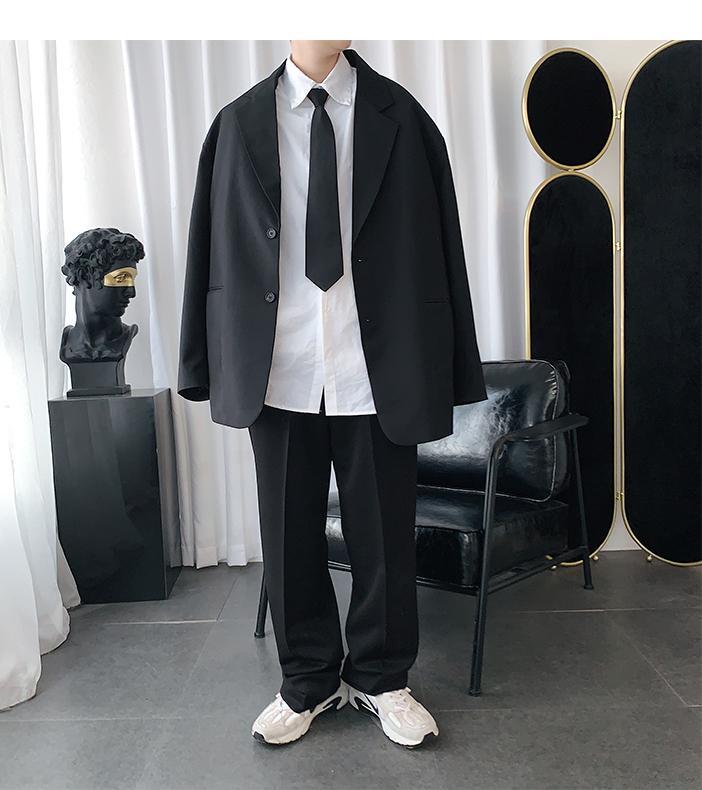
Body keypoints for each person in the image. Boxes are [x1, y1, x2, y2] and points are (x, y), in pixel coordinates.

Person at [178, 40, 488, 749]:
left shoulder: (402, 118)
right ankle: (307, 680)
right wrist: (202, 358)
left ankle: (382, 676)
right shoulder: (237, 123)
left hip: (376, 360)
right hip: (276, 361)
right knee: (287, 535)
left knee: (385, 535)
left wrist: (450, 362)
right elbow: (209, 245)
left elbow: (443, 246)